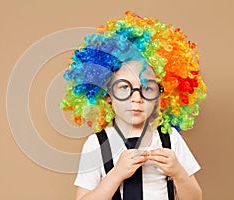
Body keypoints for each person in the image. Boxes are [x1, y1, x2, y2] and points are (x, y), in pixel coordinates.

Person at [60, 11, 206, 200]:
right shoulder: (97, 144)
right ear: (107, 96)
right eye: (124, 88)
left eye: (146, 88)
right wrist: (116, 175)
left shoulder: (170, 138)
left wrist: (178, 172)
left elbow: (195, 198)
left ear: (160, 96)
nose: (136, 98)